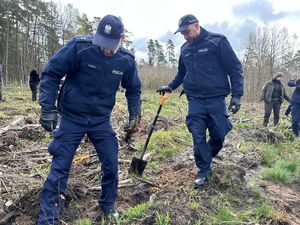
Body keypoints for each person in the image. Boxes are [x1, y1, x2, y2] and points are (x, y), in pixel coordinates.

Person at [37, 15, 141, 224]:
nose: (106, 49)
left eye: (111, 45)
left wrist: (134, 116)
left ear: (122, 39)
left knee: (111, 163)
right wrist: (48, 108)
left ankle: (107, 205)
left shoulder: (126, 60)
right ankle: (48, 218)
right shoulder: (79, 48)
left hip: (101, 120)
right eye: (102, 43)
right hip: (72, 117)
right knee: (61, 166)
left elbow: (134, 89)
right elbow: (51, 73)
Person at [157, 14, 244, 188]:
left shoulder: (217, 42)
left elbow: (235, 67)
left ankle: (206, 156)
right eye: (182, 34)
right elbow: (182, 73)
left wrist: (237, 95)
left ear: (197, 26)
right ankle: (204, 170)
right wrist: (170, 87)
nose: (185, 36)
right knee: (197, 136)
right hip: (195, 99)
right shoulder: (185, 49)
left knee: (219, 134)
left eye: (187, 32)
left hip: (216, 99)